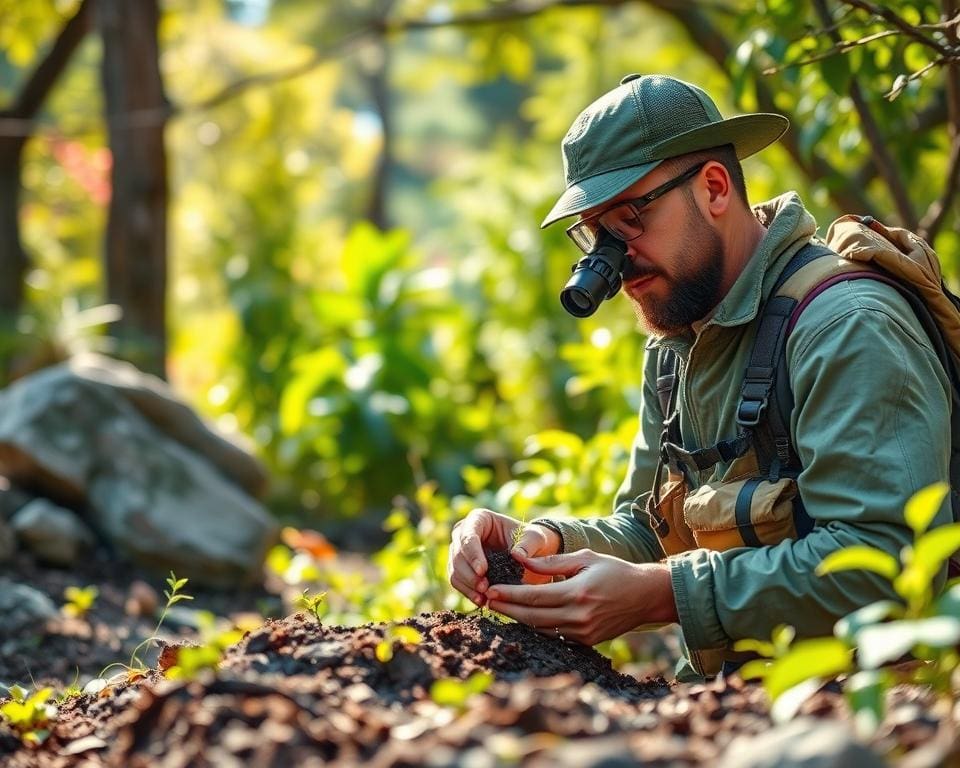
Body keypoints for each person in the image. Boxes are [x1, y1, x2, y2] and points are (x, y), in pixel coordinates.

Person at [446, 73, 952, 678]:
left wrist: (665, 594)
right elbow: (652, 527)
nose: (614, 259)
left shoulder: (846, 326)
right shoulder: (676, 341)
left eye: (630, 218)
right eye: (596, 234)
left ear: (714, 187)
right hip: (741, 710)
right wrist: (546, 544)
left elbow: (881, 561)